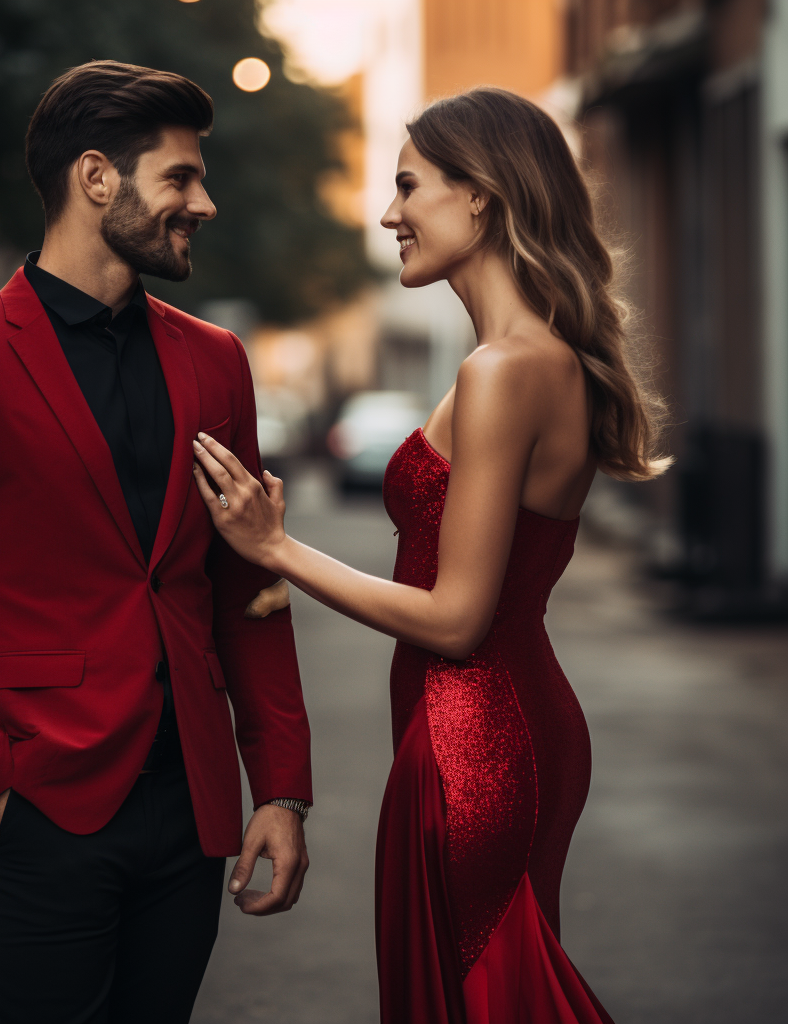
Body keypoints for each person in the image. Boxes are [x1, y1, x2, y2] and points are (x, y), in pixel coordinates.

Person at [192, 87, 669, 1024]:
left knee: (487, 999)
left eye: (408, 187)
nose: (389, 213)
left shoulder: (502, 371)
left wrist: (276, 548)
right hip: (499, 727)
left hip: (473, 738)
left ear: (482, 197)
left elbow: (457, 620)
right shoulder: (540, 358)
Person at [0, 60, 312, 1024]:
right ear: (98, 177)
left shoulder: (216, 361)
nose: (205, 203)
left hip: (189, 811)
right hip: (40, 803)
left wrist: (280, 789)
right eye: (182, 179)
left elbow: (249, 581)